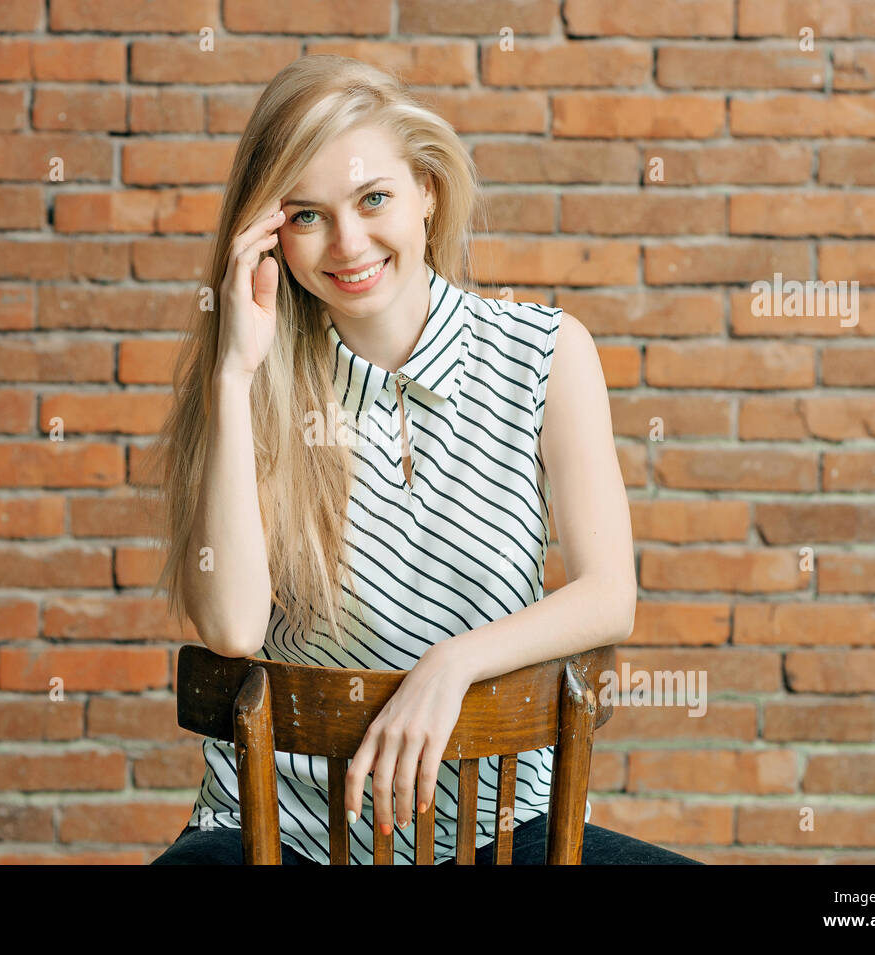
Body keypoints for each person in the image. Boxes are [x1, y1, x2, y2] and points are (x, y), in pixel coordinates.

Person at [151, 54, 701, 866]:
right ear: (269, 236)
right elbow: (232, 626)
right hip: (282, 836)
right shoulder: (255, 379)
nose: (349, 242)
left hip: (500, 833)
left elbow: (608, 594)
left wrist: (452, 664)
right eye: (306, 215)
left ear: (426, 193)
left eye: (374, 199)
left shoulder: (546, 355)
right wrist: (234, 372)